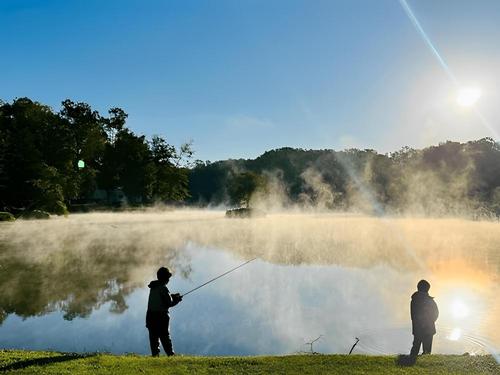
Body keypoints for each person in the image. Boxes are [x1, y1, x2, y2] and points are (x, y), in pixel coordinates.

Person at [146, 267, 182, 357]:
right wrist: (177, 300)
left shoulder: (154, 287)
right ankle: (170, 354)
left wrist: (171, 296)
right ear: (166, 279)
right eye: (168, 278)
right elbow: (168, 303)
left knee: (153, 337)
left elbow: (161, 299)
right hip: (161, 316)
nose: (169, 280)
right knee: (165, 335)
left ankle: (155, 354)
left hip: (150, 315)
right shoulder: (163, 288)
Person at [409, 279, 439, 357]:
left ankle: (411, 360)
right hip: (429, 329)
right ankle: (423, 361)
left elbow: (413, 315)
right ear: (427, 289)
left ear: (418, 288)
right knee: (427, 350)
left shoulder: (414, 299)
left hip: (418, 328)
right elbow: (436, 313)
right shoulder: (430, 300)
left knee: (415, 347)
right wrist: (431, 321)